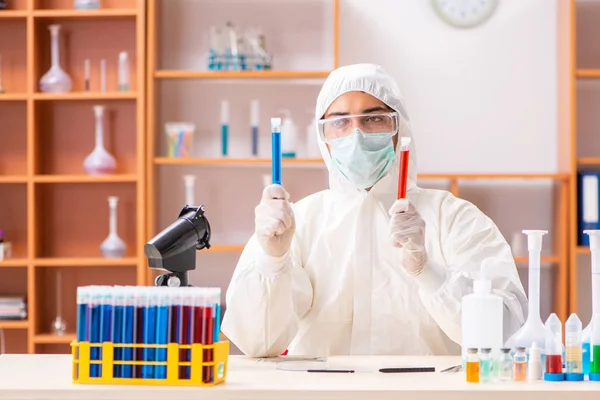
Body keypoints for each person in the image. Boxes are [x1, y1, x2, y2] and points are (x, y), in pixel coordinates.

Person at [221, 63, 527, 357]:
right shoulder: (298, 222)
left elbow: (503, 335)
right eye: (339, 121)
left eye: (373, 119)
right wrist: (272, 260)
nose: (356, 135)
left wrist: (428, 272)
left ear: (399, 128)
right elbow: (258, 344)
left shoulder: (454, 218)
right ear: (323, 138)